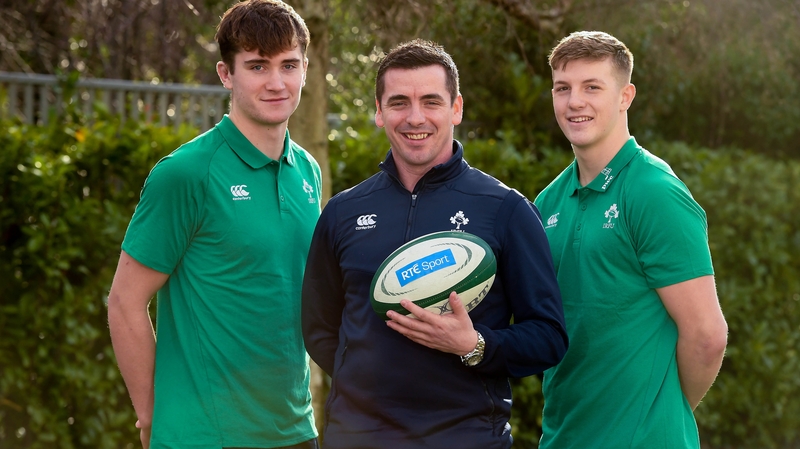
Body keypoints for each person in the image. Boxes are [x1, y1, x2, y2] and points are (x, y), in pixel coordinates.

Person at [301, 39, 568, 449]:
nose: (415, 117)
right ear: (378, 112)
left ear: (456, 108)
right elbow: (319, 328)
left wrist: (474, 345)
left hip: (468, 438)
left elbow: (548, 336)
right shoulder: (343, 213)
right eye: (398, 102)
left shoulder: (505, 209)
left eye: (430, 101)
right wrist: (369, 377)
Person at [106, 1, 321, 448]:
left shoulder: (308, 172)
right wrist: (149, 414)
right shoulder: (185, 173)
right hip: (205, 437)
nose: (276, 82)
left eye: (289, 65)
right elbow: (125, 302)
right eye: (258, 66)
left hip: (296, 432)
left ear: (305, 69)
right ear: (226, 74)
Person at [534, 31, 728, 448]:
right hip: (563, 439)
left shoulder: (655, 192)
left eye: (592, 87)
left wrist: (662, 409)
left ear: (625, 97)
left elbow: (707, 336)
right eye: (562, 88)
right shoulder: (547, 201)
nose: (574, 102)